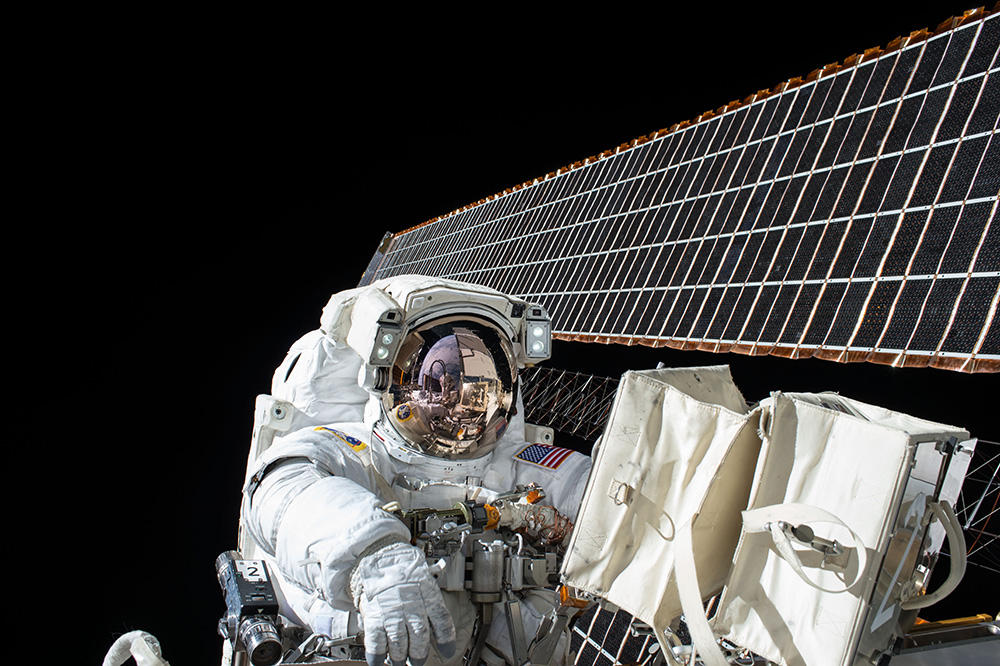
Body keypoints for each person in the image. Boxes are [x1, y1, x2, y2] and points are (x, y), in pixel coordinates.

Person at [239, 275, 592, 666]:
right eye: (444, 383)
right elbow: (279, 484)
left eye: (479, 386)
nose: (460, 404)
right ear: (393, 380)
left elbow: (608, 496)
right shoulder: (356, 447)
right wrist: (372, 554)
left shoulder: (517, 465)